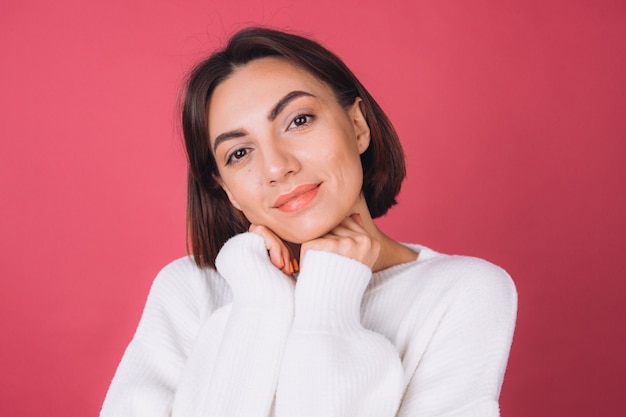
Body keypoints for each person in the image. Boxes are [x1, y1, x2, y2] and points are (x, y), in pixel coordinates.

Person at [100, 27, 517, 417]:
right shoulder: (190, 289)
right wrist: (260, 301)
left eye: (298, 121)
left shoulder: (463, 291)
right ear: (226, 189)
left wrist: (328, 302)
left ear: (357, 125)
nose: (277, 167)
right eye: (239, 153)